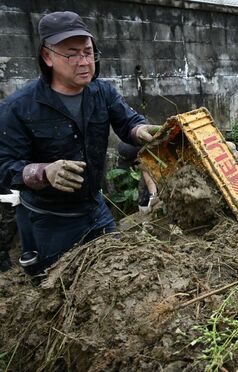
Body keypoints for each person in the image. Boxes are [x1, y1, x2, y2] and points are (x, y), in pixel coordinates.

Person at [0, 11, 159, 276]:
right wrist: (43, 171)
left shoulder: (103, 93)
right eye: (72, 54)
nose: (84, 61)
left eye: (88, 52)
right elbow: (5, 166)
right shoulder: (18, 108)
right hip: (49, 221)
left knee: (115, 278)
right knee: (58, 290)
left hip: (97, 210)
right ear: (47, 56)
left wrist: (142, 129)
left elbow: (128, 122)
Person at [116, 141, 159, 213]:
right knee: (144, 198)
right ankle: (145, 215)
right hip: (148, 166)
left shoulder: (153, 153)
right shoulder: (141, 161)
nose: (136, 165)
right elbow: (147, 177)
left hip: (161, 169)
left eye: (135, 162)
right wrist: (153, 195)